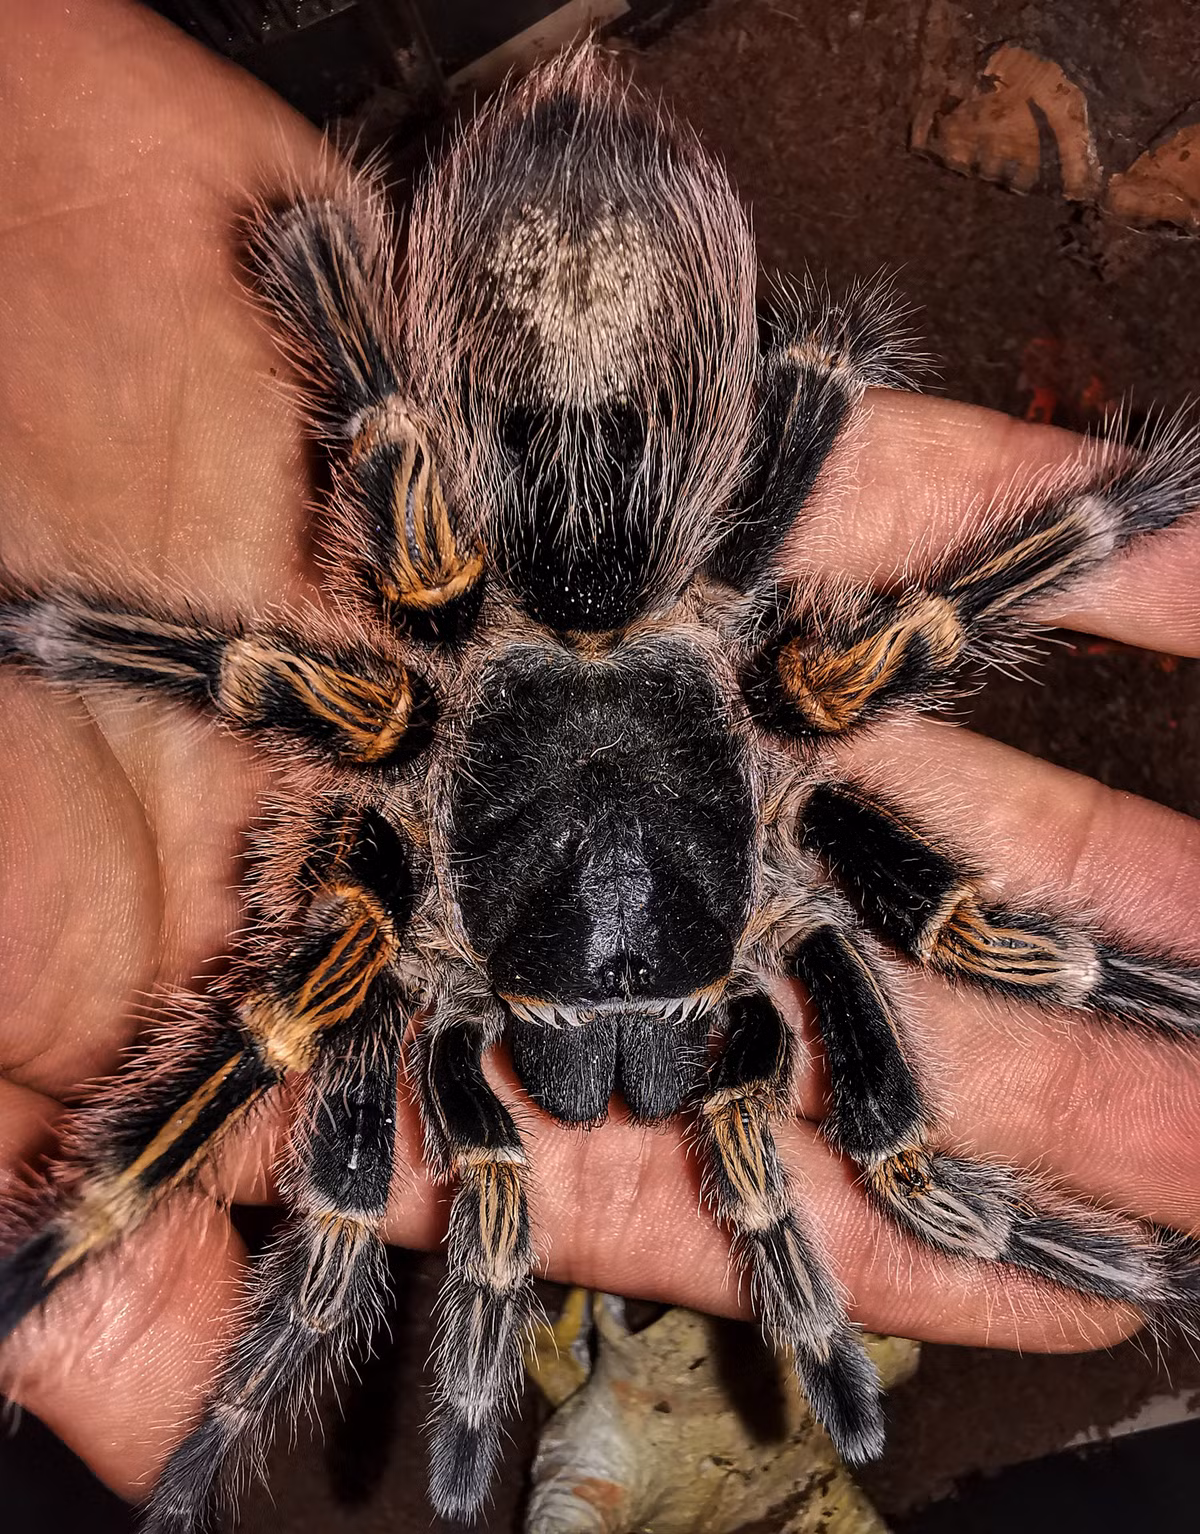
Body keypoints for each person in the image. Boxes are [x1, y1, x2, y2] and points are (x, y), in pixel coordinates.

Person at [1, 0, 1198, 1507]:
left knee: (305, 1039)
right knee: (301, 1032)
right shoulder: (494, 760)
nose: (617, 1051)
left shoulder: (430, 758)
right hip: (624, 369)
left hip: (543, 363)